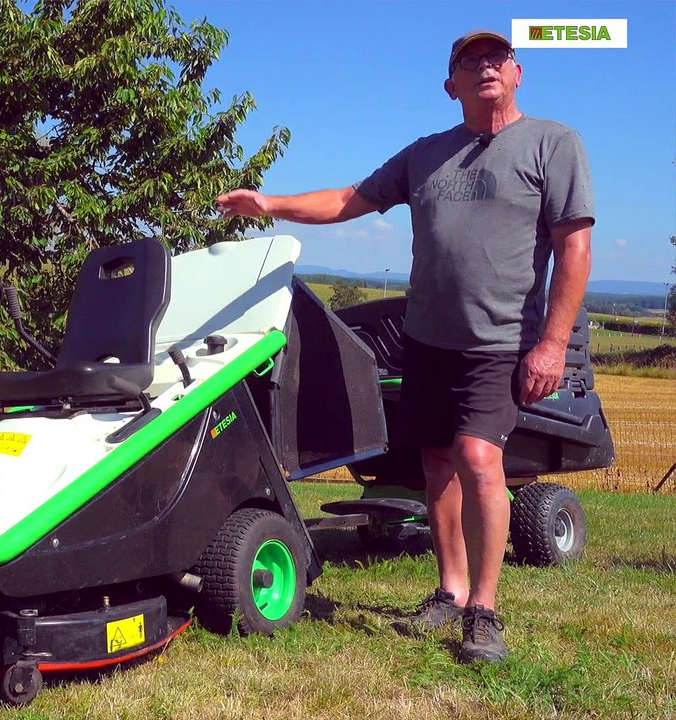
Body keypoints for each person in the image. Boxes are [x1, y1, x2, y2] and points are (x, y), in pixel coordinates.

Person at [217, 29, 593, 663]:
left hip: (500, 343)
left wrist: (553, 344)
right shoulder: (426, 155)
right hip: (427, 343)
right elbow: (346, 200)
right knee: (437, 466)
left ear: (519, 72)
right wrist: (271, 203)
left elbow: (574, 246)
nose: (485, 68)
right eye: (469, 62)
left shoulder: (553, 143)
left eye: (496, 58)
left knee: (478, 459)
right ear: (451, 86)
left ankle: (483, 608)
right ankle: (447, 590)